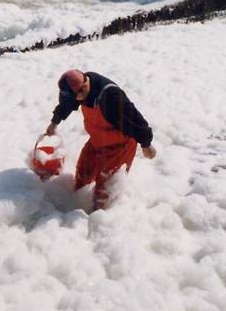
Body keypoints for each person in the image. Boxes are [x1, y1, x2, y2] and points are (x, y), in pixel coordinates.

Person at [44, 69, 156, 209]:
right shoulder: (77, 88)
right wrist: (54, 123)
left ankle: (99, 219)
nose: (74, 101)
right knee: (83, 175)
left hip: (119, 147)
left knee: (104, 193)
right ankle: (75, 209)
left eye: (75, 97)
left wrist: (146, 144)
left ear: (84, 87)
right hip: (97, 140)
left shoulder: (112, 97)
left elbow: (136, 121)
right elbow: (66, 104)